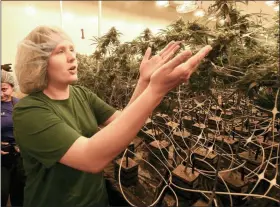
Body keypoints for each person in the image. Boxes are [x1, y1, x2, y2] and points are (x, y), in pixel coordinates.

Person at [13, 25, 212, 207]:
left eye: (72, 49)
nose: (72, 57)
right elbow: (90, 157)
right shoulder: (30, 112)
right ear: (38, 62)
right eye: (60, 51)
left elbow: (123, 121)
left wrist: (144, 82)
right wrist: (156, 91)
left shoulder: (81, 94)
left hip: (96, 199)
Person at [1, 70, 25, 206]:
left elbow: (30, 127)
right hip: (2, 160)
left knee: (20, 195)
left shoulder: (20, 105)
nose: (1, 94)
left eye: (4, 89)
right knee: (2, 193)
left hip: (19, 157)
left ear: (12, 86)